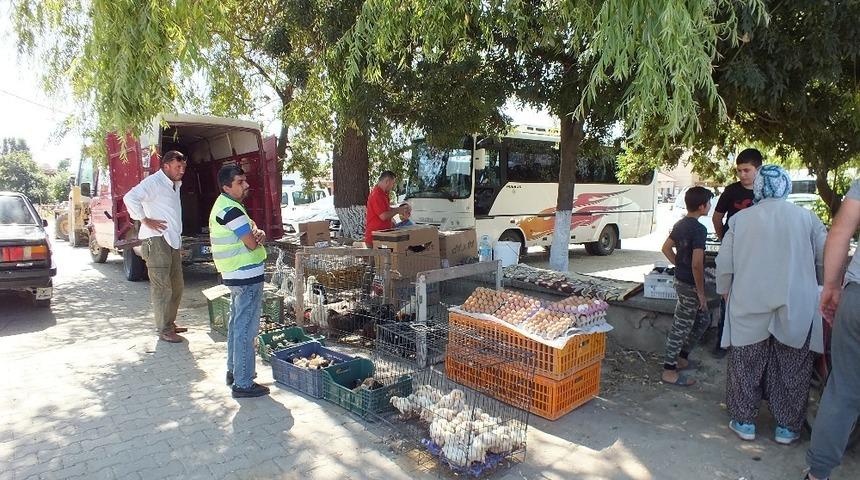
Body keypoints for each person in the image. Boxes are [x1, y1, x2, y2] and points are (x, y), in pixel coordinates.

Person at [716, 165, 826, 445]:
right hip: (796, 299)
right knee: (792, 364)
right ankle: (787, 428)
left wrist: (725, 291)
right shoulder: (807, 218)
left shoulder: (741, 220)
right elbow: (824, 258)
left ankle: (744, 422)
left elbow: (724, 263)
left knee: (746, 361)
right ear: (787, 187)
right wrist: (821, 287)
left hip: (749, 299)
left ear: (759, 187)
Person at [805, 178, 860, 480]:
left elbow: (839, 231)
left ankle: (817, 474)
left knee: (843, 391)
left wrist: (831, 286)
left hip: (857, 297)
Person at [209, 164, 270, 398]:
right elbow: (252, 242)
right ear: (226, 186)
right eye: (240, 182)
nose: (246, 185)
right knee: (246, 328)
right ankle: (243, 383)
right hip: (246, 276)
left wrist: (258, 234)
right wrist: (258, 238)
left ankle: (234, 371)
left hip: (236, 275)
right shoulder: (232, 209)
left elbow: (253, 233)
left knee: (237, 324)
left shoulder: (228, 206)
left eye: (245, 180)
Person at [124, 150, 188, 343]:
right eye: (178, 167)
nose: (182, 170)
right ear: (166, 166)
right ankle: (164, 329)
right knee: (162, 288)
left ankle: (169, 323)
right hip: (156, 240)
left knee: (177, 286)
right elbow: (129, 197)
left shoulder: (174, 184)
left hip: (171, 240)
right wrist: (144, 219)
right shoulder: (154, 182)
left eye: (183, 167)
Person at [711, 148, 763, 357]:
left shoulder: (766, 191)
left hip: (758, 252)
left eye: (746, 170)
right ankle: (723, 342)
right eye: (739, 171)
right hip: (733, 250)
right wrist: (725, 240)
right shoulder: (731, 191)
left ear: (758, 169)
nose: (742, 175)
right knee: (727, 295)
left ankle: (752, 342)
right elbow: (717, 218)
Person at [660, 186, 714, 387]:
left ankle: (682, 357)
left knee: (703, 319)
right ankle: (669, 370)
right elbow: (697, 264)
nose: (709, 206)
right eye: (708, 203)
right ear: (702, 206)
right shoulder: (699, 229)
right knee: (681, 326)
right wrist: (700, 293)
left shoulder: (681, 224)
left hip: (681, 280)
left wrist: (678, 264)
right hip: (689, 284)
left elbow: (666, 248)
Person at [365, 170, 410, 246]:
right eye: (392, 183)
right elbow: (383, 216)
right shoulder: (377, 194)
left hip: (382, 237)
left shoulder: (383, 194)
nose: (393, 186)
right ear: (387, 181)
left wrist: (400, 210)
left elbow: (386, 210)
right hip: (375, 239)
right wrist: (398, 210)